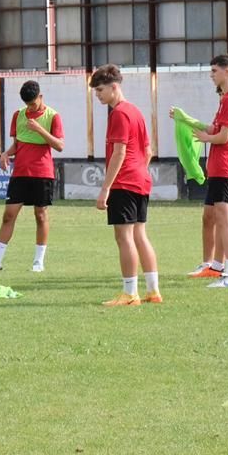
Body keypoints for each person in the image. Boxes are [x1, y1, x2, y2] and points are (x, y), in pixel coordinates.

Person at [91, 65, 161, 307]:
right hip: (141, 179)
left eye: (100, 90)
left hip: (125, 181)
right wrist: (139, 168)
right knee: (140, 235)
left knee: (124, 238)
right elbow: (148, 150)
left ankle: (130, 293)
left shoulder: (119, 113)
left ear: (114, 87)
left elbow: (119, 152)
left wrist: (105, 187)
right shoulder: (136, 111)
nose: (97, 95)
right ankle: (153, 290)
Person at [0, 79, 64, 273]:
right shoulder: (18, 115)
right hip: (20, 173)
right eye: (28, 105)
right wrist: (5, 154)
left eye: (33, 103)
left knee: (40, 215)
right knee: (8, 216)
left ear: (40, 97)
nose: (31, 108)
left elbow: (59, 145)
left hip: (42, 173)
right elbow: (18, 144)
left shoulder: (53, 116)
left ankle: (38, 262)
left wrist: (40, 129)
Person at [192, 54, 228, 289]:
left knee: (226, 219)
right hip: (222, 166)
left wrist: (206, 138)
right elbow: (219, 129)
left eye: (214, 70)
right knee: (222, 218)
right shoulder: (227, 99)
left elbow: (224, 136)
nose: (211, 75)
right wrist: (190, 123)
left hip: (227, 165)